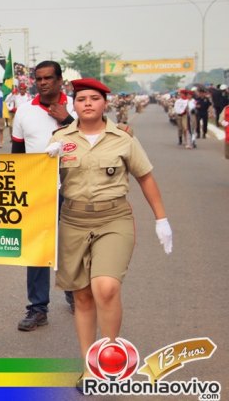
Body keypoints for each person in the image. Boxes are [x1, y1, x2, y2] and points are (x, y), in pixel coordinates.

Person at [47, 78, 172, 390]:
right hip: (73, 221)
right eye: (80, 99)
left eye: (93, 98)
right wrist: (44, 160)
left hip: (113, 219)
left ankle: (109, 357)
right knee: (82, 295)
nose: (87, 103)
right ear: (73, 106)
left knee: (105, 287)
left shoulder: (123, 139)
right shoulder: (60, 138)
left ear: (106, 103)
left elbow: (145, 177)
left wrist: (162, 219)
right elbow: (28, 178)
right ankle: (89, 366)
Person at [11, 60, 76, 331]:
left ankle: (74, 294)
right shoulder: (24, 111)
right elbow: (16, 155)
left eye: (49, 77)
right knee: (37, 247)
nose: (43, 82)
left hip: (74, 183)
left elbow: (94, 141)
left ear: (61, 80)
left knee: (72, 243)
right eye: (39, 78)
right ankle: (37, 308)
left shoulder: (76, 106)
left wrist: (67, 120)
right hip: (37, 186)